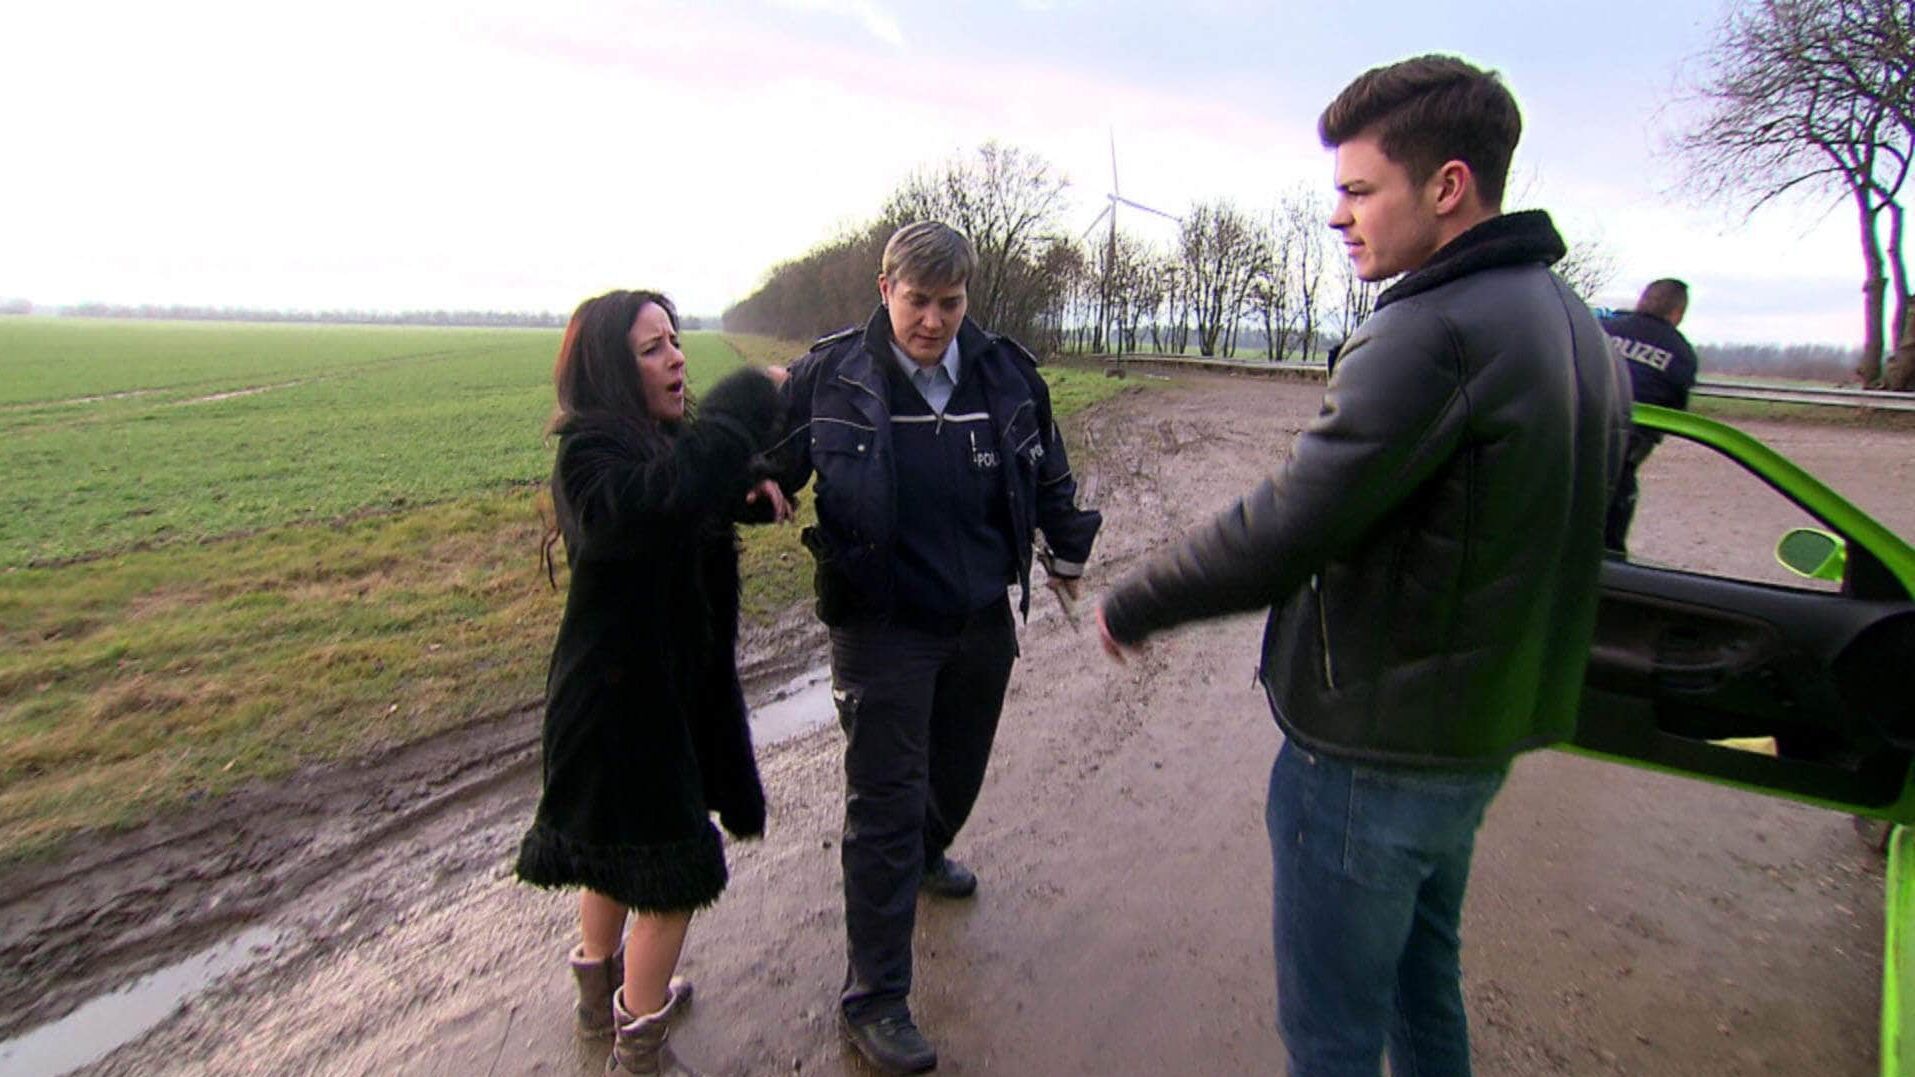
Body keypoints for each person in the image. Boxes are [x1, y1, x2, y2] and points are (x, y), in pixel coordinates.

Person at [1097, 56, 1628, 1077]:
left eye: (1358, 190)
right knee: (1422, 994)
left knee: (1331, 1035)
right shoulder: (1574, 326)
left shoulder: (1431, 332)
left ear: (1447, 185)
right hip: (1473, 737)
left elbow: (1289, 523)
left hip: (1372, 751)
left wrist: (1140, 597)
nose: (1337, 216)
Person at [771, 221, 1102, 1074]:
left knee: (954, 776)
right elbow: (764, 463)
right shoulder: (832, 375)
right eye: (916, 300)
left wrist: (1067, 548)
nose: (932, 320)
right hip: (879, 622)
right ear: (885, 290)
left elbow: (1047, 466)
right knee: (883, 803)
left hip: (980, 615)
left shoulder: (1005, 372)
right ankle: (875, 998)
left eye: (948, 303)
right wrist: (743, 482)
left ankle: (922, 853)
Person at [514, 289, 792, 1077]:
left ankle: (599, 994)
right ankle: (639, 1045)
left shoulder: (649, 446)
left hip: (642, 696)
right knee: (672, 878)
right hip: (619, 710)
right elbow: (654, 503)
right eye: (652, 348)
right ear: (612, 368)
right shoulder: (589, 455)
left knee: (609, 853)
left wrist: (743, 485)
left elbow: (684, 491)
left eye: (674, 340)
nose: (675, 358)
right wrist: (742, 404)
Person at [1601, 278, 1699, 553]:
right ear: (1678, 313)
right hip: (1620, 462)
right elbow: (1673, 415)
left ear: (1641, 301)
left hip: (1562, 444)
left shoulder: (1601, 329)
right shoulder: (1681, 353)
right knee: (1608, 547)